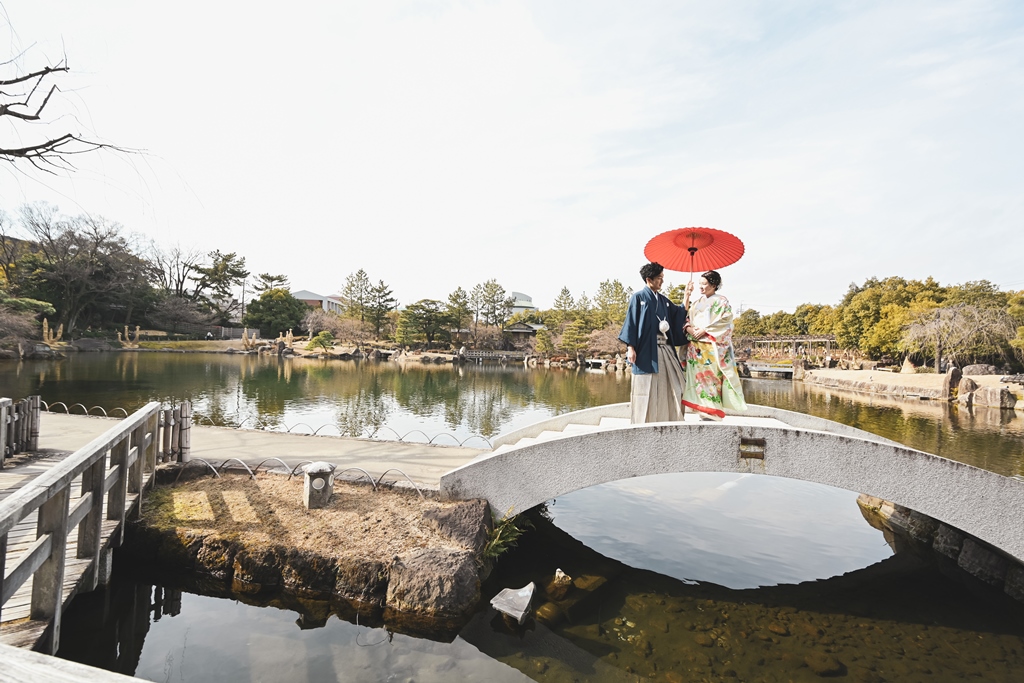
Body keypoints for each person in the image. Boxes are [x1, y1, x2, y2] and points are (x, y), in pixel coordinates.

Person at [618, 262, 688, 423]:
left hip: (665, 348)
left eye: (662, 278)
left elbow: (678, 314)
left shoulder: (664, 300)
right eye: (659, 278)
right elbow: (632, 323)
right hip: (645, 350)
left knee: (675, 384)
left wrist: (687, 296)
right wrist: (630, 348)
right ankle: (643, 422)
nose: (662, 281)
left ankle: (670, 419)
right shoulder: (638, 297)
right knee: (644, 386)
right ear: (649, 280)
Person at [682, 270, 747, 420]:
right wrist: (690, 329)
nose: (701, 287)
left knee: (711, 378)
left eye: (704, 284)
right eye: (699, 284)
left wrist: (705, 330)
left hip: (711, 346)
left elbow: (726, 321)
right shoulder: (697, 302)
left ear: (714, 285)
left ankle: (712, 411)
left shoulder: (721, 301)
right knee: (697, 379)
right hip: (695, 347)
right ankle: (702, 410)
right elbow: (685, 317)